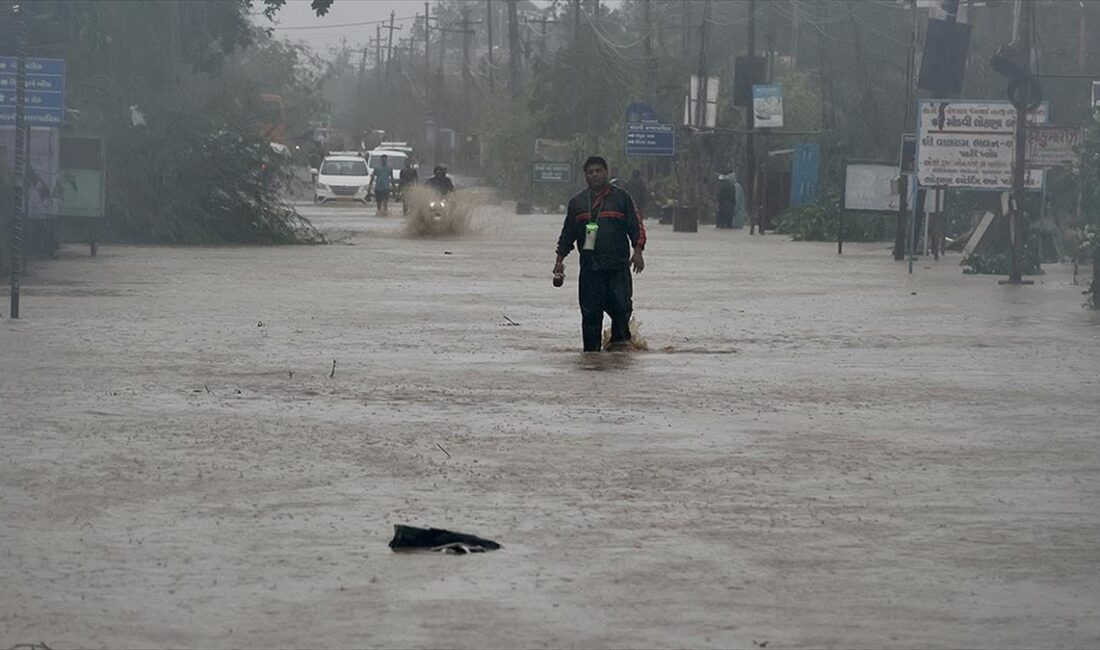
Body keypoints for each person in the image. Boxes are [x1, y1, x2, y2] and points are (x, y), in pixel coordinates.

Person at [553, 156, 646, 352]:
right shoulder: (577, 203)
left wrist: (638, 250)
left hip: (617, 268)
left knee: (621, 311)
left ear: (606, 172)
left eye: (598, 170)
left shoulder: (622, 198)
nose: (595, 174)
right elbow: (567, 235)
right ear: (585, 176)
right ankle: (591, 358)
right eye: (590, 172)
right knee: (590, 316)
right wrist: (559, 262)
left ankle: (620, 356)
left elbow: (636, 226)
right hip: (590, 269)